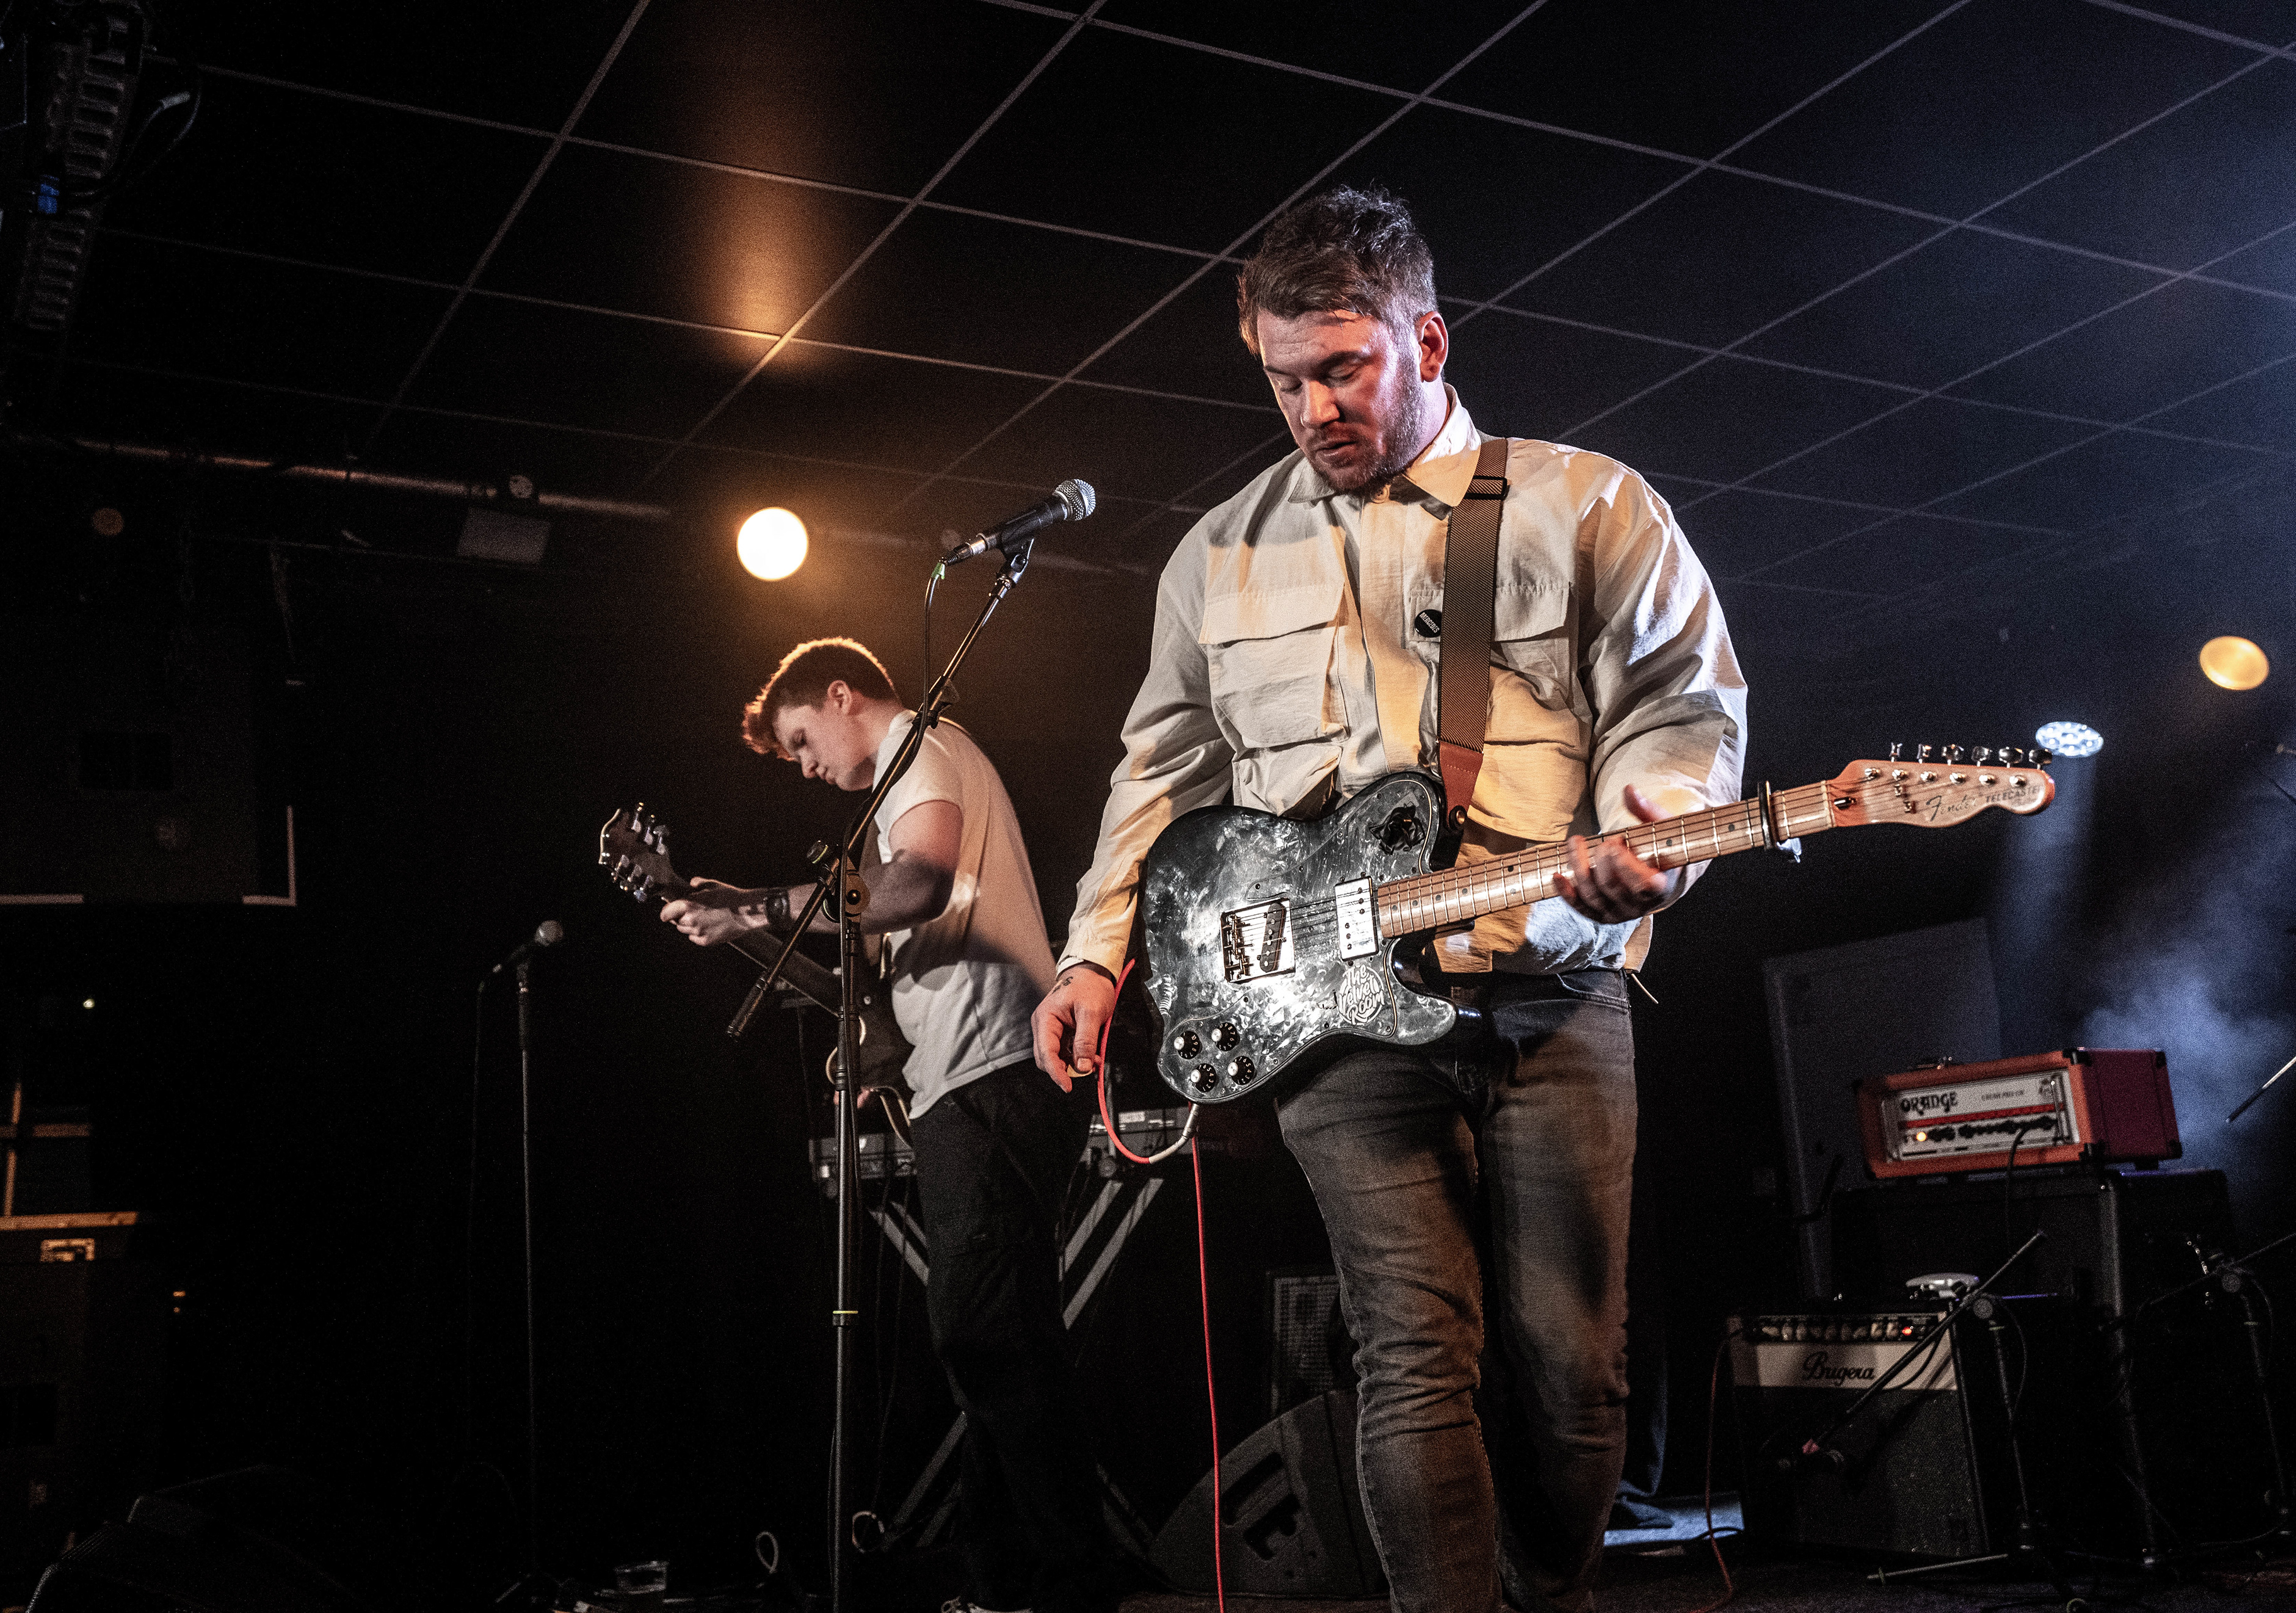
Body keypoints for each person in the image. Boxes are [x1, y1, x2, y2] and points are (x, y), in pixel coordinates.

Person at [1030, 188, 1746, 1613]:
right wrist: (1096, 955)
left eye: (1344, 369)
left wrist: (1651, 831)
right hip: (1333, 1012)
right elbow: (1160, 769)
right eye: (1283, 378)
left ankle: (1549, 1593)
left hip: (1550, 981)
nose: (1313, 409)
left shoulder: (1588, 505)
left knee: (1575, 1372)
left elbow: (1681, 711)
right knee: (1413, 1357)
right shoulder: (1217, 555)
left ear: (1426, 339)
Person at [665, 638, 1117, 1613]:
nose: (804, 768)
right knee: (994, 1342)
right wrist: (746, 924)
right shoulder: (897, 799)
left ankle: (1075, 1585)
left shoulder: (923, 746)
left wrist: (760, 905)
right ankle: (1003, 1585)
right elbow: (865, 992)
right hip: (968, 1082)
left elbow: (919, 886)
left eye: (801, 741)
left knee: (988, 1339)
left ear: (840, 695)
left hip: (992, 1074)